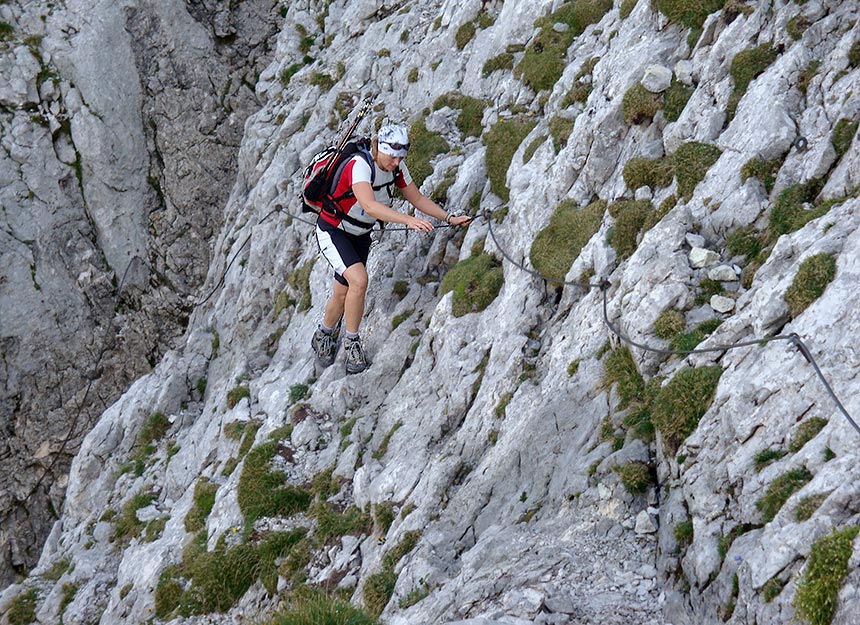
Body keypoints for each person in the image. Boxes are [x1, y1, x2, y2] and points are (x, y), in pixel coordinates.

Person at [311, 123, 471, 374]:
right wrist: (409, 220)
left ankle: (323, 334)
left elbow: (416, 198)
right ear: (379, 149)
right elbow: (370, 205)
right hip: (333, 231)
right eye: (393, 156)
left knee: (343, 293)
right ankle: (352, 342)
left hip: (360, 235)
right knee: (360, 281)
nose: (396, 163)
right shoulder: (360, 166)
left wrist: (448, 217)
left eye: (400, 158)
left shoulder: (396, 169)